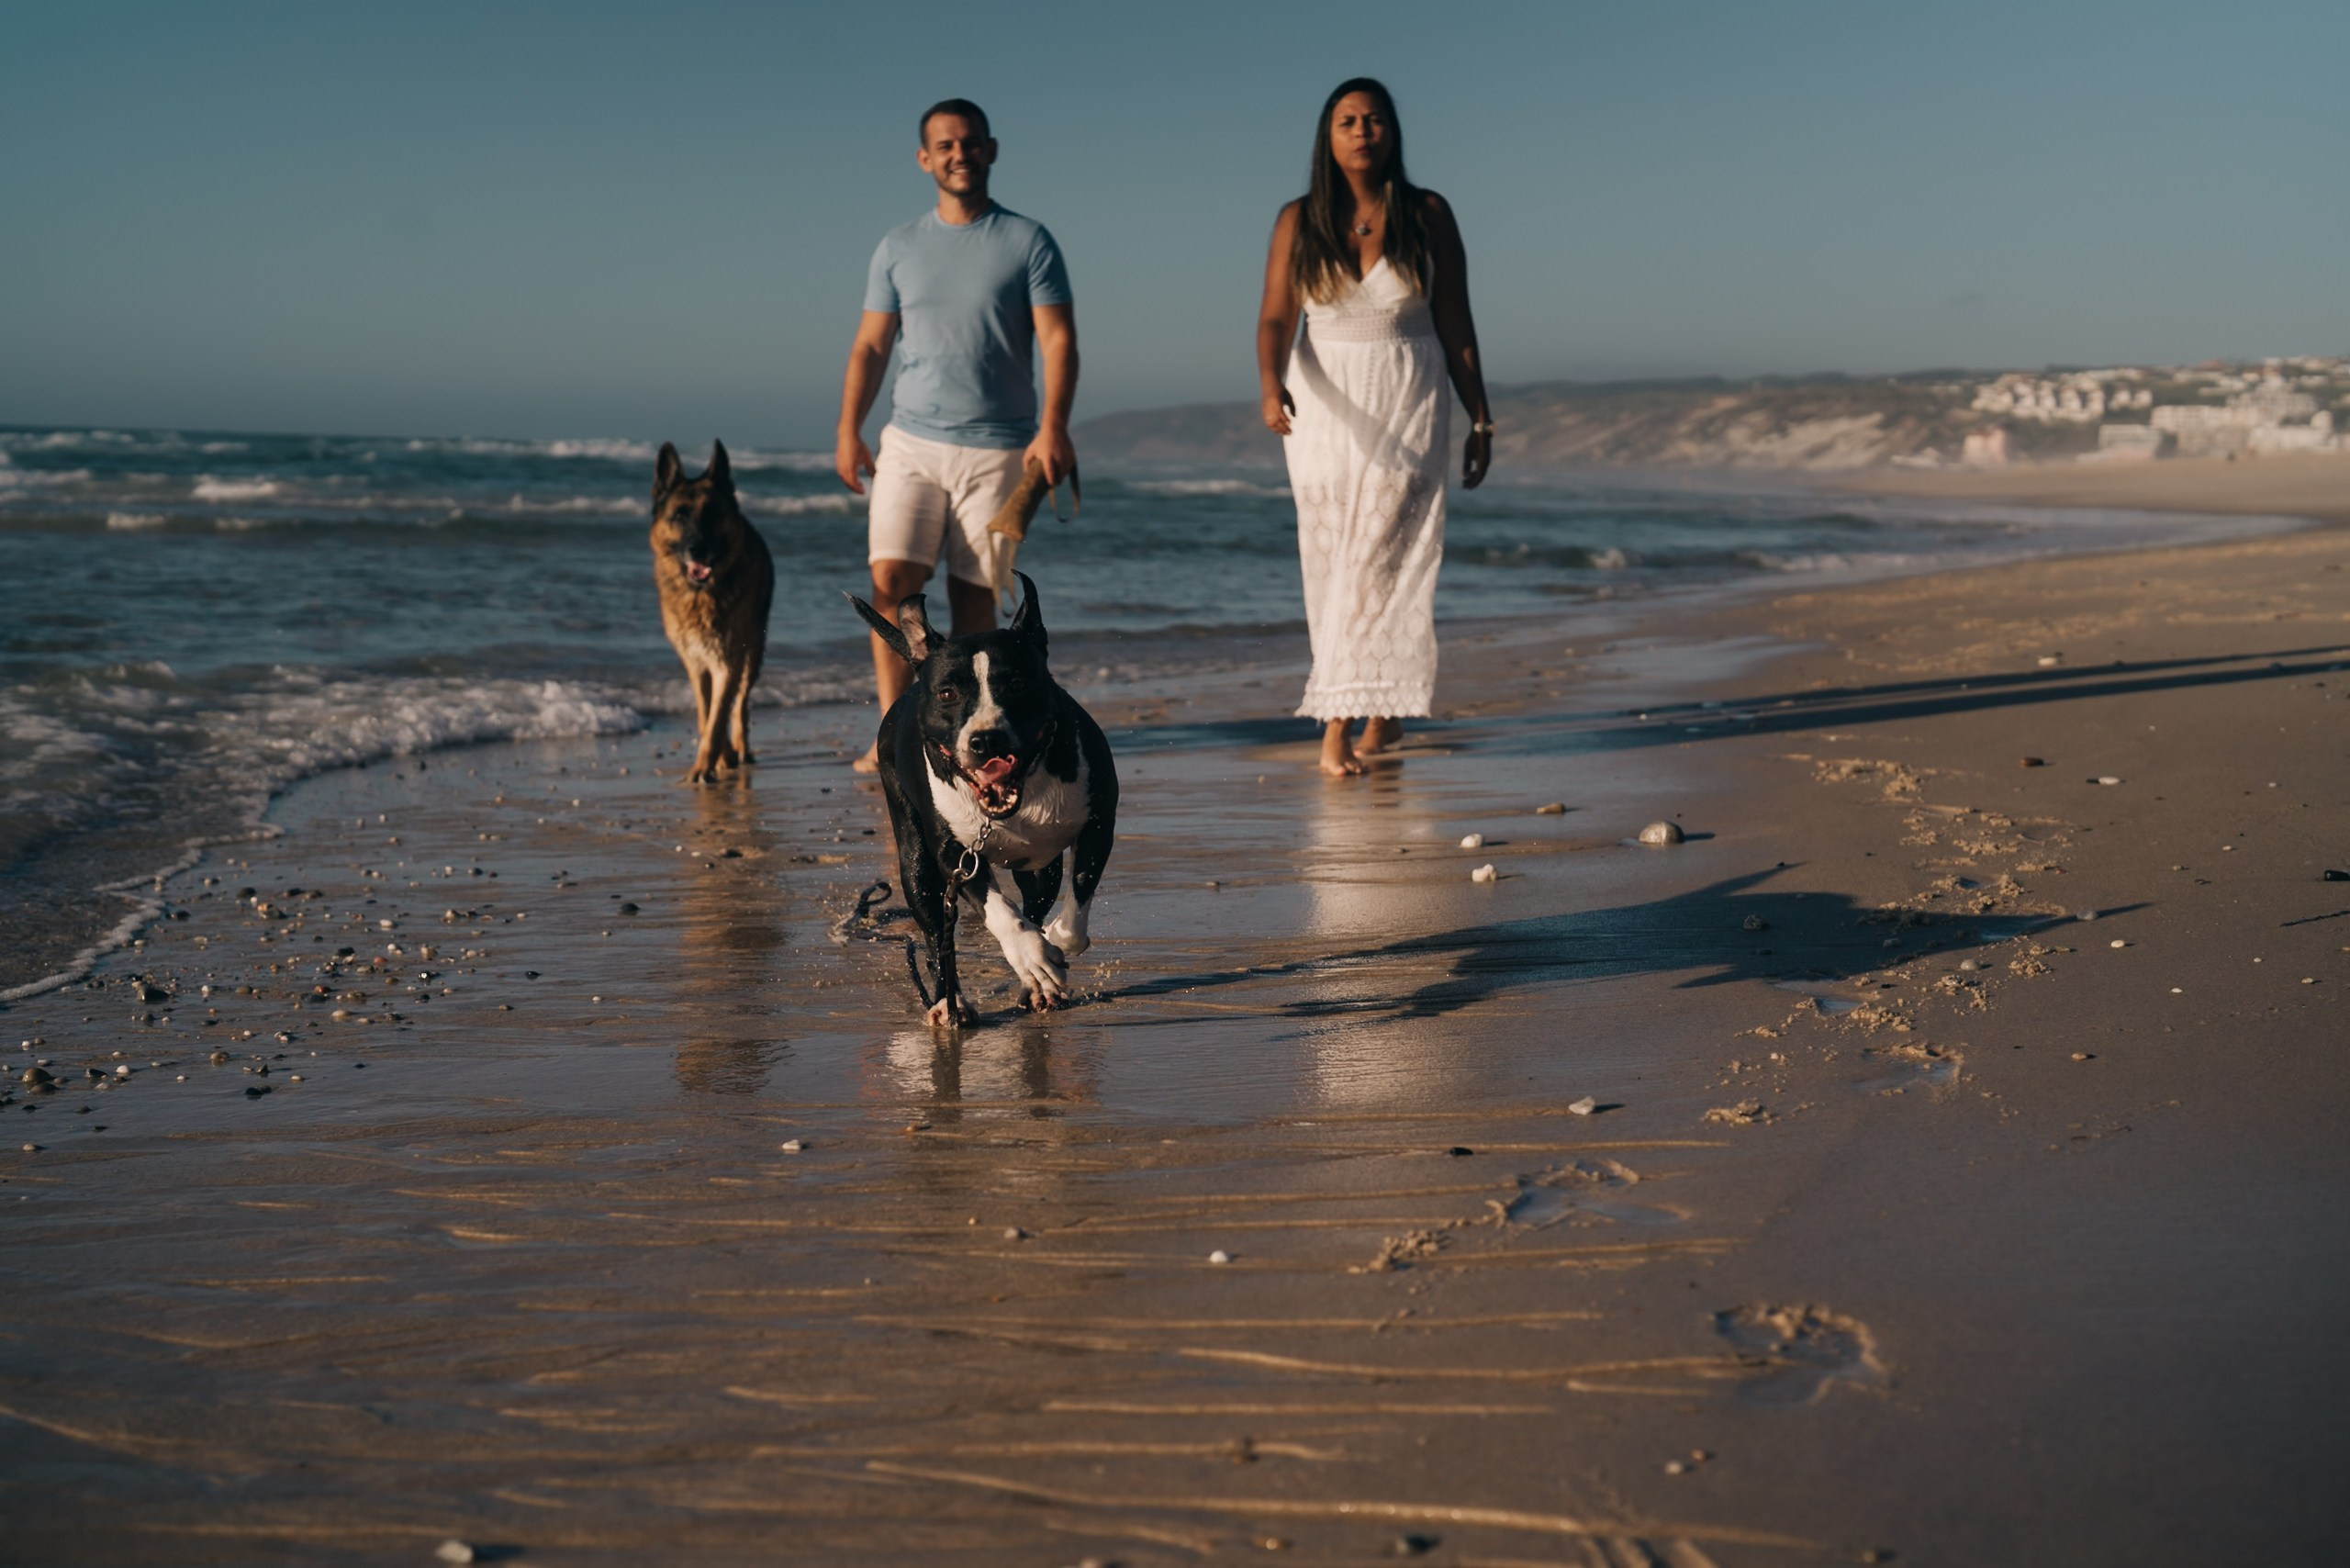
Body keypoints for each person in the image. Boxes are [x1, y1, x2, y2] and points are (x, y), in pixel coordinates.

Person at [1255, 77, 1492, 777]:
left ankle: (1339, 725)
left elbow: (1457, 321)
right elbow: (1275, 316)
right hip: (1323, 409)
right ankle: (1378, 711)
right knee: (1335, 565)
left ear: (1393, 131)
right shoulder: (1298, 219)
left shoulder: (1428, 212)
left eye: (1375, 119)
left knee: (1385, 556)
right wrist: (1270, 385)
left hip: (1410, 399)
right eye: (1348, 121)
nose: (1363, 130)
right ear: (1328, 137)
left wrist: (1481, 414)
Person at [836, 97, 1079, 771]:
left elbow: (1058, 339)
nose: (959, 153)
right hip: (910, 439)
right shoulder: (898, 245)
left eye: (970, 142)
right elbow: (869, 346)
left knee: (973, 604)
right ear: (925, 159)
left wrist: (1054, 427)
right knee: (891, 583)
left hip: (1001, 445)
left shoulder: (1028, 240)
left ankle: (968, 732)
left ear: (991, 149)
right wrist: (848, 429)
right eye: (945, 145)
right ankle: (897, 732)